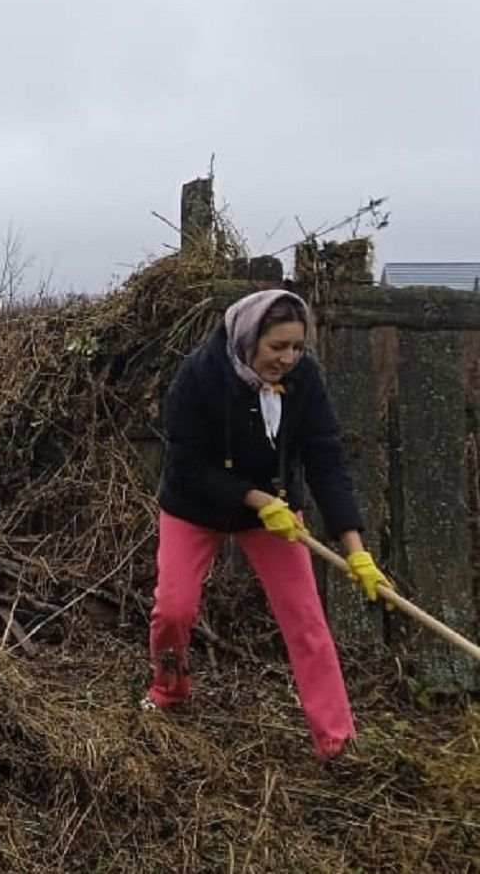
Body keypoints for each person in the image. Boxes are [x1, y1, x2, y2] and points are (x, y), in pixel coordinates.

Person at [146, 288, 393, 760]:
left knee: (306, 619)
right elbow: (186, 464)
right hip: (195, 505)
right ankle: (169, 690)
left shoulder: (305, 381)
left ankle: (337, 740)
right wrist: (254, 498)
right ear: (248, 338)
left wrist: (354, 547)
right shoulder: (199, 376)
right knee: (173, 610)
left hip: (274, 513)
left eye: (297, 346)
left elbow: (326, 458)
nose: (288, 358)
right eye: (277, 346)